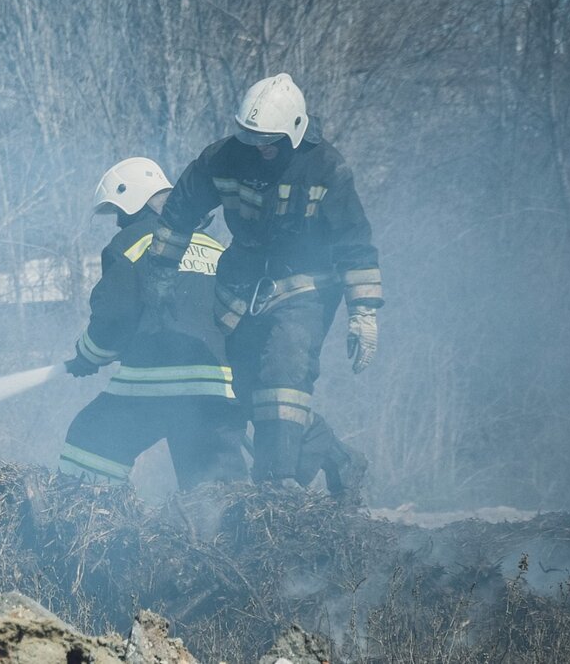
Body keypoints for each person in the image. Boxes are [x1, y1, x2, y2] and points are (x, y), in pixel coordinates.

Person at [151, 73, 378, 503]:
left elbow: (354, 240)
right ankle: (339, 459)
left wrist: (363, 311)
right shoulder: (223, 158)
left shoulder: (326, 167)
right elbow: (180, 211)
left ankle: (275, 492)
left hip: (306, 284)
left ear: (294, 130)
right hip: (241, 282)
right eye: (250, 137)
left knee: (283, 371)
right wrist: (161, 271)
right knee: (247, 390)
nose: (259, 148)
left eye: (268, 140)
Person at [59, 157, 246, 490]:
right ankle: (235, 537)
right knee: (216, 490)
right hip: (218, 387)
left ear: (133, 201)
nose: (118, 222)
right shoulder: (214, 247)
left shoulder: (131, 242)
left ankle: (88, 521)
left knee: (90, 441)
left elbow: (114, 318)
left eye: (119, 211)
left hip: (153, 384)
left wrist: (87, 355)